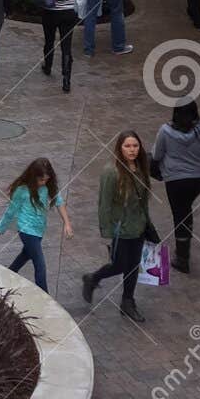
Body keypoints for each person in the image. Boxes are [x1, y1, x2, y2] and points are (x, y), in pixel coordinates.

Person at [83, 131, 153, 323]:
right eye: (127, 146)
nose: (132, 150)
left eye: (135, 146)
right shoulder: (111, 172)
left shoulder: (141, 167)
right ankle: (93, 278)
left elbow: (143, 200)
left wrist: (147, 224)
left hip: (138, 227)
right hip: (120, 228)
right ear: (119, 148)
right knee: (120, 265)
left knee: (133, 266)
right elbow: (104, 203)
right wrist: (106, 230)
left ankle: (128, 301)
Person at [152, 101, 200, 273]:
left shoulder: (166, 131)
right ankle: (183, 250)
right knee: (185, 209)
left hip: (175, 180)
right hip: (198, 180)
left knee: (180, 214)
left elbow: (156, 154)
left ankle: (183, 258)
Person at [0, 157, 73, 292]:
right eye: (41, 179)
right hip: (26, 230)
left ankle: (10, 272)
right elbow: (11, 211)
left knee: (26, 254)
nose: (44, 182)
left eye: (46, 179)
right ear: (33, 176)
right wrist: (1, 227)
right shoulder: (22, 190)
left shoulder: (49, 187)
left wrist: (67, 224)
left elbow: (59, 202)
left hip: (39, 229)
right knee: (40, 264)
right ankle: (46, 297)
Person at [39, 0, 80, 93]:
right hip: (68, 13)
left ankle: (48, 65)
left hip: (51, 12)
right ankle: (66, 79)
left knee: (49, 40)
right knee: (66, 46)